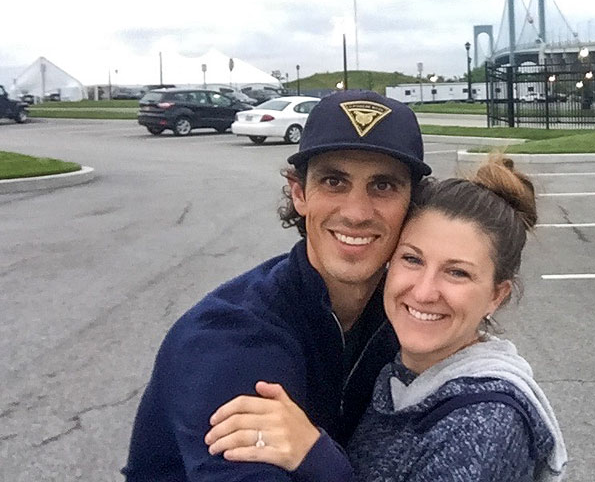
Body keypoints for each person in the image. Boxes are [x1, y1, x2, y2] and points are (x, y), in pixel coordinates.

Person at [123, 89, 431, 481]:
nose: (356, 212)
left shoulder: (401, 319)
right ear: (299, 192)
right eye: (334, 181)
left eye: (383, 186)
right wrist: (323, 461)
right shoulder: (229, 341)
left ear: (412, 205)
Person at [204, 157, 568, 481]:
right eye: (412, 259)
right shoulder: (398, 373)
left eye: (457, 273)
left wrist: (314, 455)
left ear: (496, 295)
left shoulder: (483, 425)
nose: (424, 292)